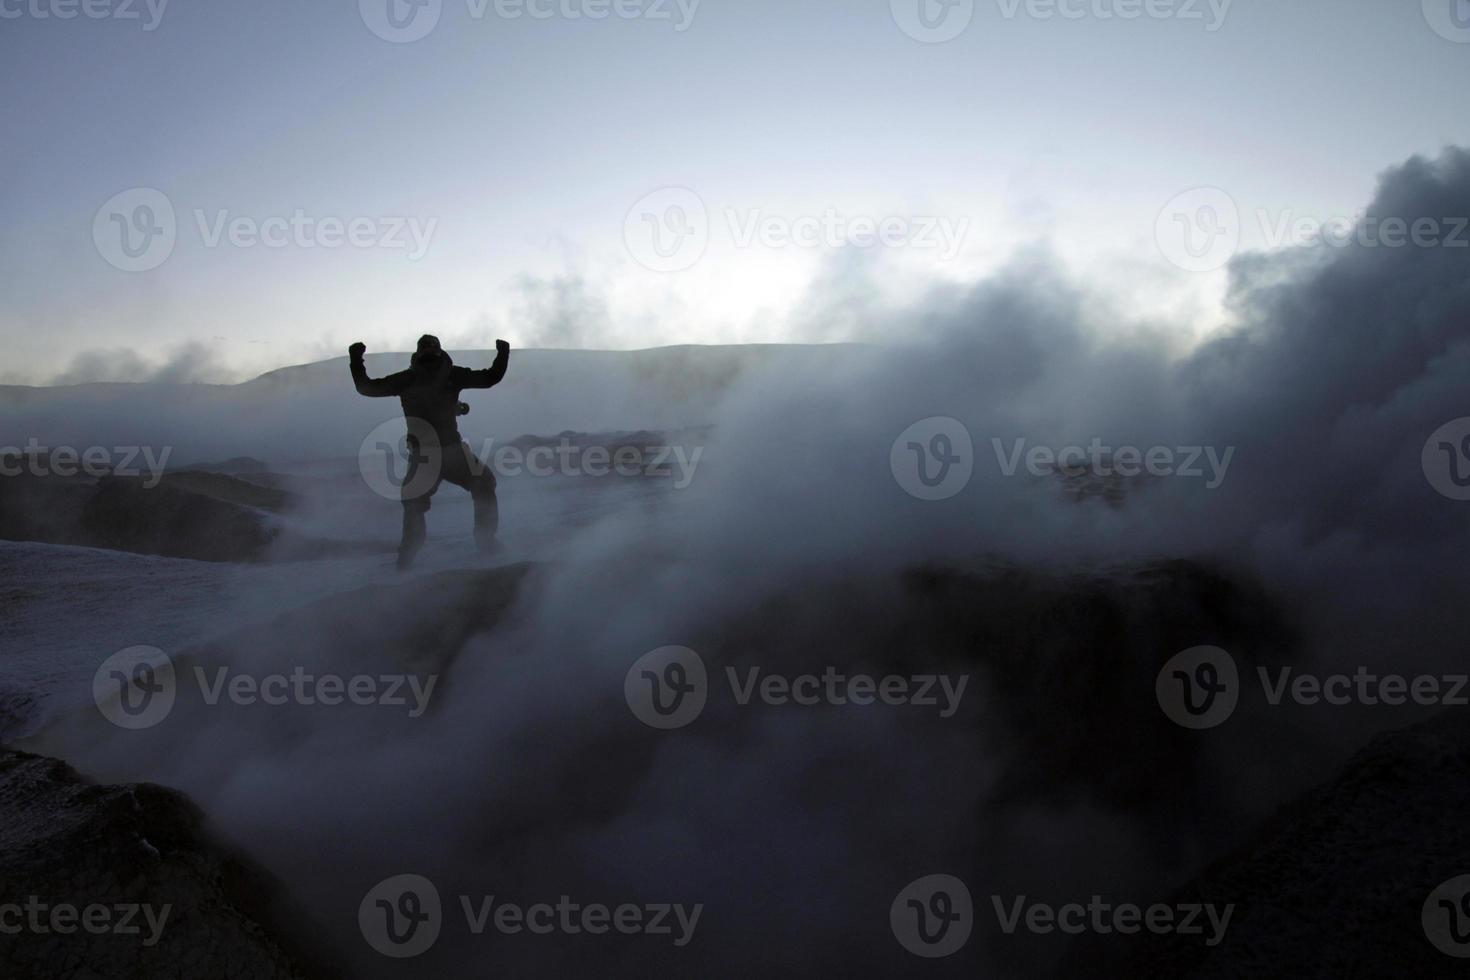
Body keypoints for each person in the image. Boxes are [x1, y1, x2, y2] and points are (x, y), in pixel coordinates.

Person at [349, 335, 510, 568]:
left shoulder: (409, 378)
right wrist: (503, 353)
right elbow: (490, 378)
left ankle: (406, 559)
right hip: (450, 452)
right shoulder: (451, 375)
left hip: (426, 455)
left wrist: (356, 359)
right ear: (439, 352)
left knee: (415, 503)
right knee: (482, 484)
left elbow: (367, 387)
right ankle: (485, 542)